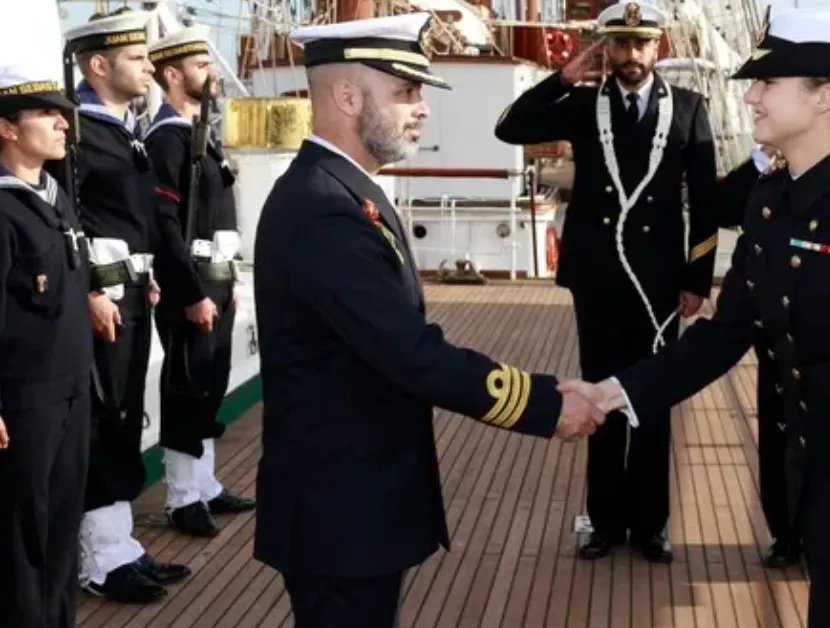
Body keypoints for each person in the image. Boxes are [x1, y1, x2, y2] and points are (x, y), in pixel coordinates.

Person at [562, 8, 830, 626]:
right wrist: (614, 392)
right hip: (820, 486)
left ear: (824, 97)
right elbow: (726, 336)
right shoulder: (773, 202)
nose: (750, 95)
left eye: (768, 83)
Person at [251, 13, 604, 628]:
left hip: (353, 505)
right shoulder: (323, 211)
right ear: (347, 95)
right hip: (340, 516)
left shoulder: (342, 191)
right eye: (406, 93)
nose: (422, 110)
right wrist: (544, 404)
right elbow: (413, 353)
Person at [493, 0, 722, 563]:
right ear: (607, 50)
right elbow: (509, 129)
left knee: (653, 396)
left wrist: (698, 278)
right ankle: (603, 521)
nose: (631, 55)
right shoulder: (581, 103)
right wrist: (560, 79)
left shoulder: (690, 108)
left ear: (657, 47)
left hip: (660, 282)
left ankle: (651, 524)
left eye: (641, 44)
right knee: (598, 395)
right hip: (598, 277)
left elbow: (707, 201)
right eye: (620, 45)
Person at [56, 9, 192, 603]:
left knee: (124, 416)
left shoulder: (121, 131)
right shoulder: (79, 132)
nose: (148, 68)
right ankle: (100, 560)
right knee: (103, 419)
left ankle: (122, 543)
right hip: (102, 300)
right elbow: (66, 217)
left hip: (133, 295)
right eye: (137, 59)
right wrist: (88, 289)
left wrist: (150, 277)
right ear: (99, 65)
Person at [144, 25, 257, 538]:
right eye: (201, 66)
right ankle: (183, 498)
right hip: (191, 289)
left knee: (210, 384)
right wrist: (189, 293)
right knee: (188, 388)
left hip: (216, 282)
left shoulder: (199, 137)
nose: (213, 74)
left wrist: (223, 281)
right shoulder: (167, 139)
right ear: (173, 74)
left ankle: (205, 484)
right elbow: (165, 226)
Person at [0, 65, 92, 628]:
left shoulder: (53, 195)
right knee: (20, 539)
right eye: (45, 113)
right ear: (7, 128)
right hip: (24, 399)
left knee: (61, 531)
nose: (63, 123)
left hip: (73, 389)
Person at [716, 148, 803, 568]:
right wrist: (760, 158)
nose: (753, 99)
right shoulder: (768, 176)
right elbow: (720, 206)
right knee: (777, 434)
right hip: (776, 337)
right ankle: (784, 534)